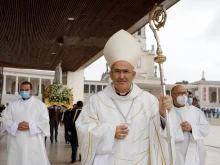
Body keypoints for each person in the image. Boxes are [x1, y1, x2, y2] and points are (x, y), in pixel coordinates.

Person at [76, 30, 173, 165]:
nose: (122, 76)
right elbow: (83, 128)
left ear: (133, 75)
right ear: (111, 75)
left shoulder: (149, 101)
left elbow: (159, 134)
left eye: (126, 71)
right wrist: (109, 132)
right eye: (117, 71)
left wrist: (162, 116)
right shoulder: (97, 101)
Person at [2, 81, 50, 165]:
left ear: (31, 90)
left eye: (26, 90)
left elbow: (45, 121)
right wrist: (15, 125)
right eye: (22, 90)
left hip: (33, 140)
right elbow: (5, 119)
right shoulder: (13, 104)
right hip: (16, 140)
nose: (24, 92)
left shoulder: (40, 105)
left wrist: (30, 126)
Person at [170, 85, 210, 165]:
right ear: (173, 96)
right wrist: (179, 129)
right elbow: (163, 133)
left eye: (185, 93)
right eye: (180, 93)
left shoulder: (196, 111)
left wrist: (192, 128)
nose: (183, 96)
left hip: (193, 153)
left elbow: (206, 129)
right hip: (175, 154)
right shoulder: (167, 112)